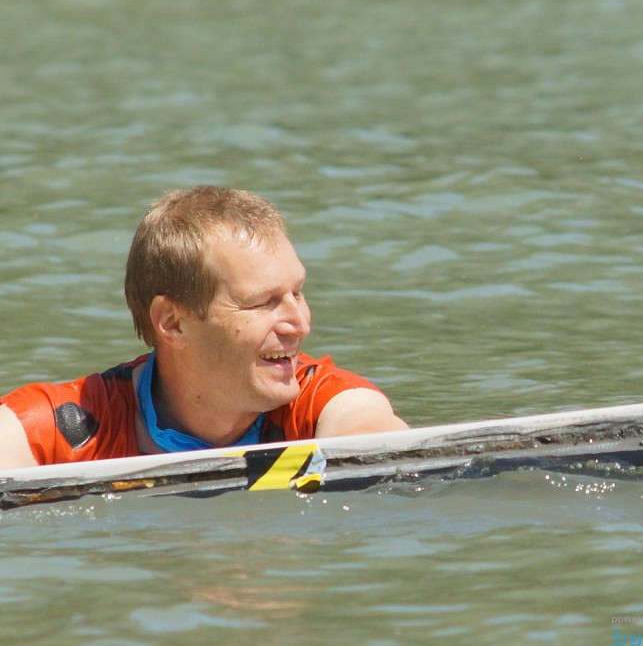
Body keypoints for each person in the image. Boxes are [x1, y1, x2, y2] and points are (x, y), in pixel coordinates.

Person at [0, 186, 408, 469]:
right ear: (173, 322)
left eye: (298, 293)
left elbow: (368, 425)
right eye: (263, 302)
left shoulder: (318, 402)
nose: (300, 324)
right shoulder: (65, 430)